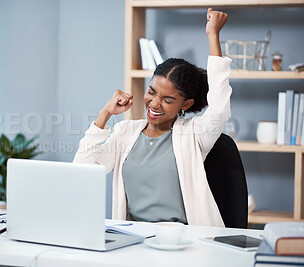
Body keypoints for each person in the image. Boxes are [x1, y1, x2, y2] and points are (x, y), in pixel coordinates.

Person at [73, 8, 230, 227]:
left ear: (185, 104)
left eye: (167, 99)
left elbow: (220, 106)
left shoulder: (194, 133)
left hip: (184, 242)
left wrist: (213, 35)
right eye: (152, 91)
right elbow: (81, 170)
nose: (155, 103)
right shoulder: (125, 132)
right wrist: (105, 114)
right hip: (134, 239)